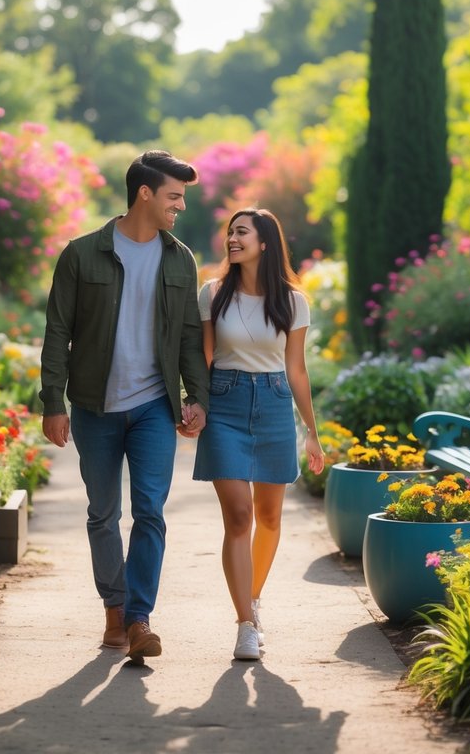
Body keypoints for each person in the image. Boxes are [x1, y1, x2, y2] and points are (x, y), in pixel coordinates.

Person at [39, 149, 209, 664]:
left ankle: (138, 619)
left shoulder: (180, 259)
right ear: (145, 194)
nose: (180, 206)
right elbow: (58, 331)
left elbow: (186, 336)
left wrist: (195, 396)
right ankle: (114, 610)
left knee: (151, 512)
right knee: (103, 513)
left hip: (155, 408)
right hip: (95, 407)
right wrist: (53, 401)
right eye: (174, 196)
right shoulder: (82, 254)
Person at [193, 208, 325, 661]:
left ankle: (253, 598)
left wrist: (312, 432)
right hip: (225, 403)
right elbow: (204, 358)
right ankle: (245, 624)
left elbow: (297, 369)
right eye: (230, 232)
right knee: (239, 516)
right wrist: (193, 405)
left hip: (272, 406)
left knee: (270, 518)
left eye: (241, 232)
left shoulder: (292, 301)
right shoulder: (212, 294)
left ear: (264, 242)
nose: (232, 238)